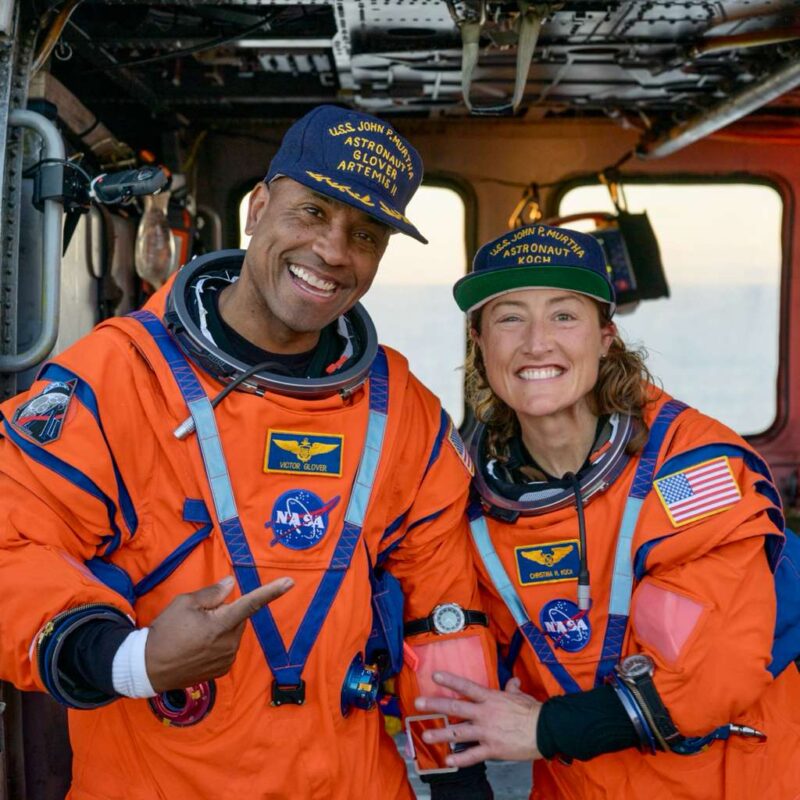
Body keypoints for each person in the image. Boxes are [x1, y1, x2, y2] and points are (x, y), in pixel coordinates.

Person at [0, 105, 497, 799]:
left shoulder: (403, 410)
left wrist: (459, 783)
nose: (333, 251)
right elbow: (13, 545)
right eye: (313, 212)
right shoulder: (118, 378)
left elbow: (442, 614)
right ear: (258, 206)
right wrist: (132, 659)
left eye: (365, 235)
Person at [415, 223, 800, 798]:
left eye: (564, 315)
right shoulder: (465, 496)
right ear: (479, 342)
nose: (536, 342)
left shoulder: (692, 466)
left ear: (606, 337)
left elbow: (715, 669)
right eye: (510, 317)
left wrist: (545, 728)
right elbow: (444, 648)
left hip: (732, 775)